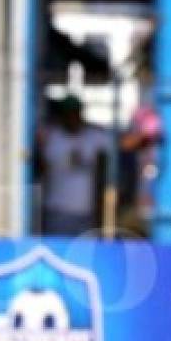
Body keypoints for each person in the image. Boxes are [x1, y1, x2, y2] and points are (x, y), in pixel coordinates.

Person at [39, 94, 106, 236]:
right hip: (56, 210)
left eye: (76, 112)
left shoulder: (94, 136)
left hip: (86, 211)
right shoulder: (50, 136)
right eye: (68, 113)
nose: (72, 117)